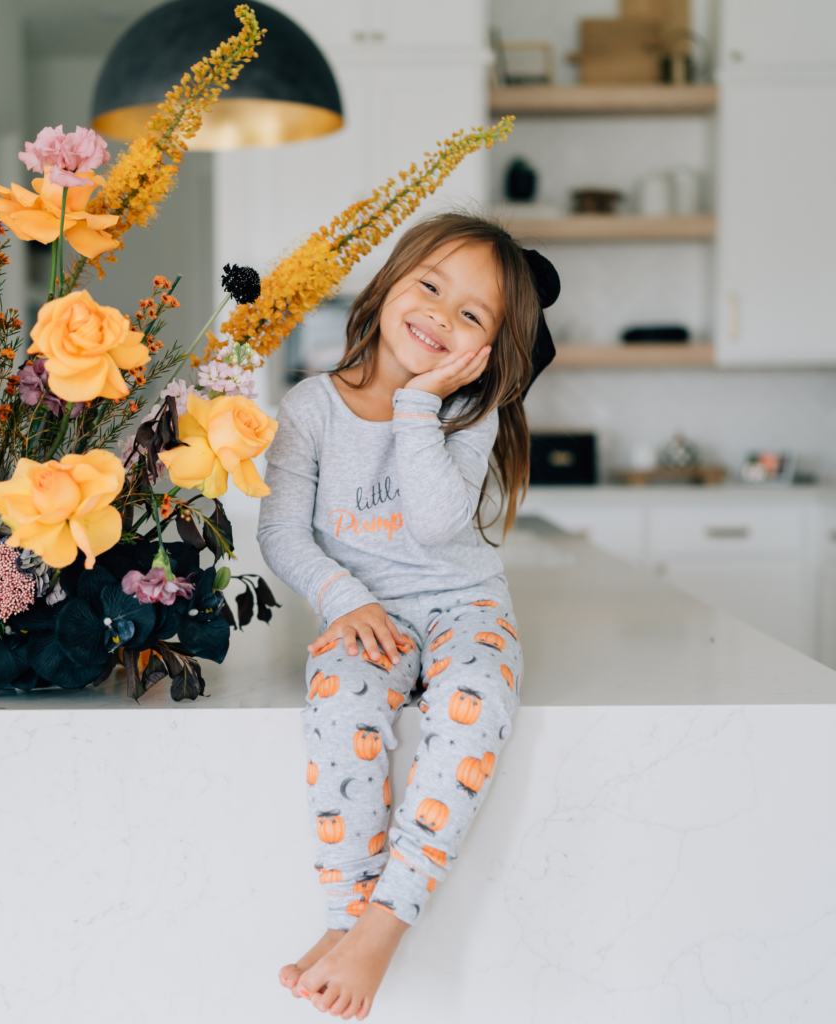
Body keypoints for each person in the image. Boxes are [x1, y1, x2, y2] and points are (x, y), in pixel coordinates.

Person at [257, 211, 556, 1020]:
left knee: (474, 707)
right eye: (430, 286)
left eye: (471, 315)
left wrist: (422, 404)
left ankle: (380, 927)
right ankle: (346, 919)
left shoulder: (468, 413)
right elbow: (280, 530)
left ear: (489, 349)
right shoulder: (311, 408)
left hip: (465, 605)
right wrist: (344, 600)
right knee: (339, 705)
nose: (439, 316)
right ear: (387, 285)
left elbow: (434, 523)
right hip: (365, 614)